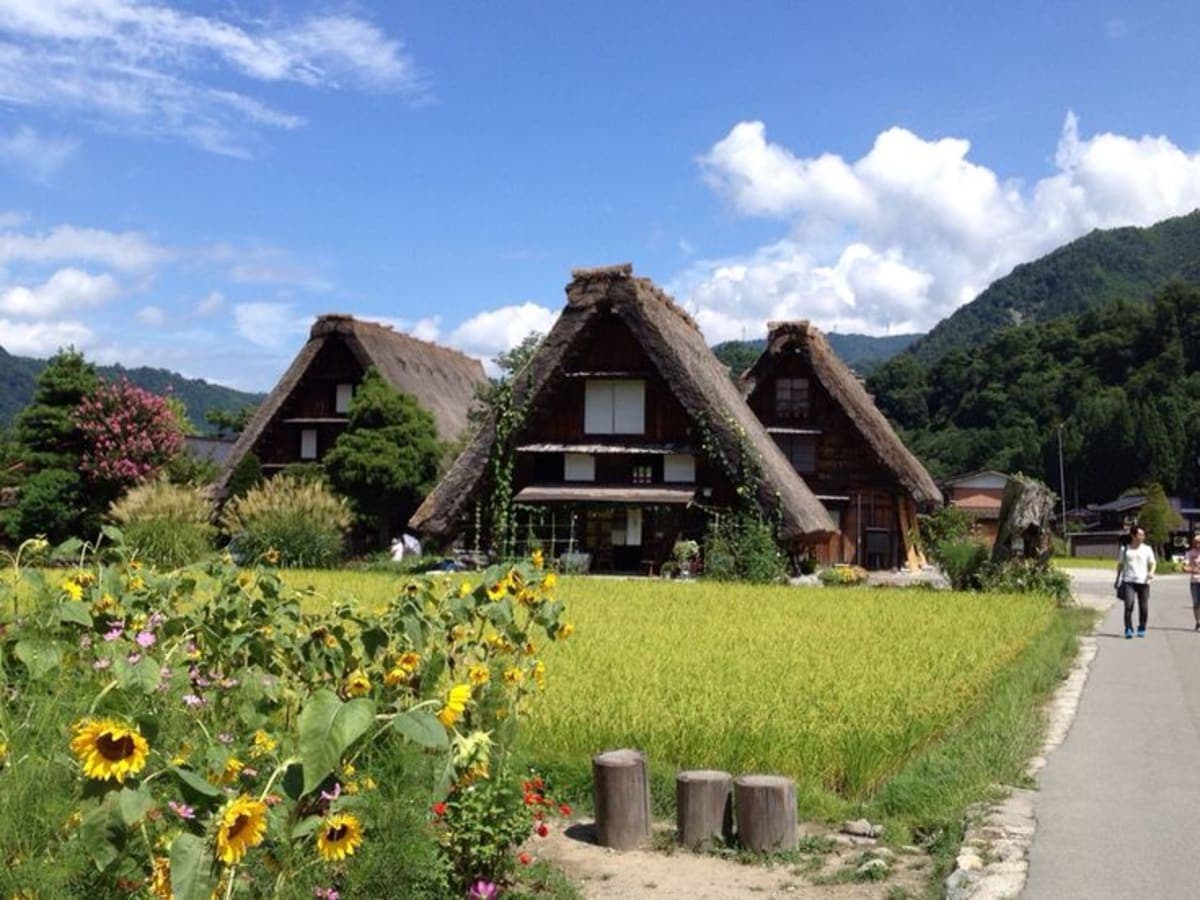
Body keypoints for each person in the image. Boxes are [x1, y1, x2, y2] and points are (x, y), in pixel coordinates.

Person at [1116, 525, 1156, 639]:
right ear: (1133, 535)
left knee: (1143, 607)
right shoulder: (1125, 549)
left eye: (1143, 535)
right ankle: (1128, 628)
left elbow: (1153, 563)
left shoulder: (1147, 549)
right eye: (1140, 535)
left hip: (1144, 581)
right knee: (1128, 605)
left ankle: (1142, 627)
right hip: (1128, 581)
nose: (1142, 537)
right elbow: (1120, 564)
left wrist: (1151, 572)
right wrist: (1117, 578)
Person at [1186, 533, 1200, 632]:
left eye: (1199, 542)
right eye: (1196, 542)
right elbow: (1184, 567)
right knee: (1196, 603)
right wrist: (1192, 570)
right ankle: (1198, 622)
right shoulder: (1189, 553)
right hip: (1195, 581)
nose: (1197, 544)